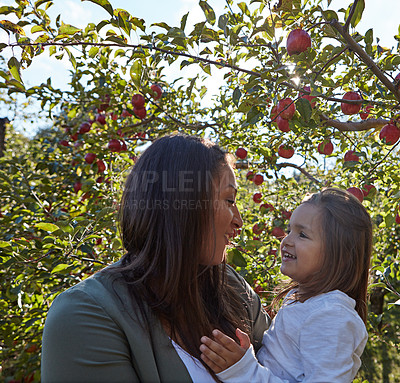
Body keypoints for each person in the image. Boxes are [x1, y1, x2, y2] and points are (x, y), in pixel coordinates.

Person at [41, 133, 269, 382]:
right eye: (229, 200)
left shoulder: (232, 289)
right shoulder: (85, 314)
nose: (239, 221)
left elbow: (293, 365)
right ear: (183, 204)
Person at [200, 187, 372, 383]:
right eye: (290, 230)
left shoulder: (332, 316)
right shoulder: (305, 303)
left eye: (302, 235)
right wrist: (251, 359)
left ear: (339, 256)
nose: (286, 241)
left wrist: (245, 371)